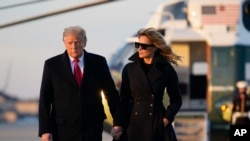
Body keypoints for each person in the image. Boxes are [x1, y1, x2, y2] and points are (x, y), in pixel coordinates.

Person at [38, 26, 123, 141]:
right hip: (62, 129)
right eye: (70, 43)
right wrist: (45, 130)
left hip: (92, 128)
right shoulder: (52, 65)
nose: (74, 46)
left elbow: (111, 94)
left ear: (85, 42)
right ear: (64, 43)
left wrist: (117, 122)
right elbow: (45, 99)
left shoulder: (98, 62)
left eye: (77, 42)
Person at [119, 28, 182, 141]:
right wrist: (118, 124)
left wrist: (166, 120)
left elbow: (176, 100)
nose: (140, 49)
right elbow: (123, 101)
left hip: (156, 123)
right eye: (138, 45)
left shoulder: (166, 70)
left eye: (144, 46)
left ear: (154, 47)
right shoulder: (129, 69)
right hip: (134, 125)